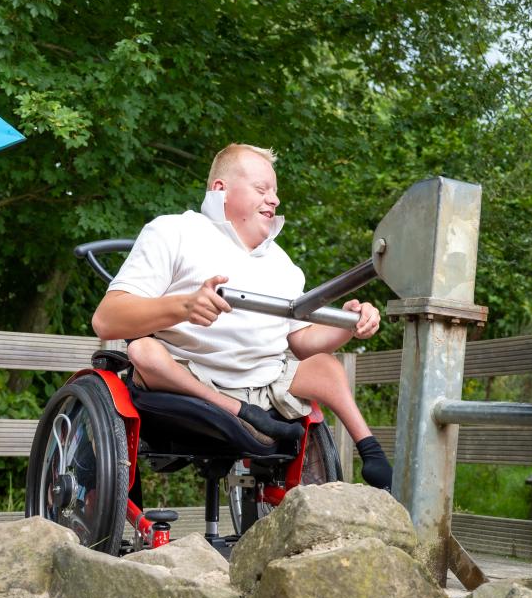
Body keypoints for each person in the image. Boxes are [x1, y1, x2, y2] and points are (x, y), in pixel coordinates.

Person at [91, 143, 393, 489]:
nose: (275, 200)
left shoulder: (283, 265)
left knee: (326, 365)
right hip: (185, 380)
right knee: (143, 351)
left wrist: (348, 324)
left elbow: (304, 342)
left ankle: (369, 449)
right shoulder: (173, 232)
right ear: (220, 190)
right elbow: (106, 319)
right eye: (262, 189)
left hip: (265, 387)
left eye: (276, 192)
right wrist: (184, 307)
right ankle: (237, 411)